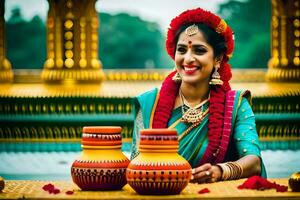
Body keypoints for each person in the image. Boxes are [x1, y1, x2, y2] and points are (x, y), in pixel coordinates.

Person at [130, 7, 266, 183]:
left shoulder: (236, 105)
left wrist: (220, 171)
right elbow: (135, 165)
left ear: (217, 59)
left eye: (199, 51)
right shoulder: (150, 103)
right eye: (181, 50)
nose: (187, 59)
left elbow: (254, 162)